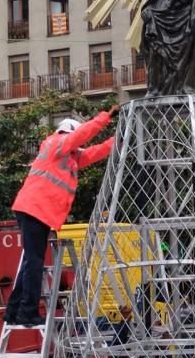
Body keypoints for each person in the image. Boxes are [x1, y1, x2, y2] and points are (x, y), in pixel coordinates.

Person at [7, 108, 116, 326]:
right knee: (34, 263)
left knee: (31, 261)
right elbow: (82, 136)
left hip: (38, 212)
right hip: (34, 210)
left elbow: (95, 152)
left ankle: (13, 310)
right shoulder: (55, 143)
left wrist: (118, 139)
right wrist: (104, 118)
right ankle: (27, 312)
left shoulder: (70, 156)